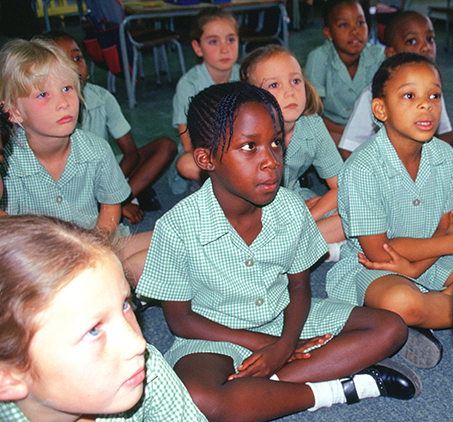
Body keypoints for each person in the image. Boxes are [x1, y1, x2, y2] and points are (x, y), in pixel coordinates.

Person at [136, 82, 420, 422]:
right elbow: (180, 320)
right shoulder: (176, 227)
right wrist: (264, 344)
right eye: (249, 147)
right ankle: (337, 389)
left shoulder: (289, 208)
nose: (270, 161)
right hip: (214, 334)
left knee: (390, 328)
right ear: (206, 158)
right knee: (197, 396)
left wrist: (284, 346)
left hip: (288, 318)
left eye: (275, 143)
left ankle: (255, 391)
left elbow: (299, 287)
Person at [326, 53, 453, 369]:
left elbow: (450, 226)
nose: (426, 105)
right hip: (375, 268)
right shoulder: (362, 168)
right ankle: (448, 311)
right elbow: (380, 253)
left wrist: (418, 267)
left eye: (434, 95)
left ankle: (427, 316)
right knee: (401, 301)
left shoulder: (443, 155)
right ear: (380, 109)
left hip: (434, 259)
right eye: (409, 95)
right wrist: (445, 245)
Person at [0, 214, 207, 422]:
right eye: (93, 331)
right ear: (7, 377)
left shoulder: (147, 369)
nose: (139, 343)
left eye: (125, 304)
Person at [0, 38, 151, 286]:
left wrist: (96, 247)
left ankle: (103, 282)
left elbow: (110, 206)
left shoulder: (96, 149)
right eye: (43, 94)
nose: (62, 103)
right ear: (14, 112)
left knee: (170, 240)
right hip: (36, 260)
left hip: (97, 242)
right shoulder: (7, 162)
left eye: (67, 88)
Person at [46, 30, 178, 224]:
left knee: (166, 146)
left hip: (105, 171)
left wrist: (114, 194)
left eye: (77, 58)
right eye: (61, 60)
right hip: (68, 184)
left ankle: (118, 199)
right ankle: (115, 201)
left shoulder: (102, 97)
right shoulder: (44, 110)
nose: (73, 67)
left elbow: (131, 153)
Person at [339, 11, 453, 175]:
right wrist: (373, 177)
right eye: (412, 41)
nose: (425, 47)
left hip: (421, 153)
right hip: (389, 165)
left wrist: (450, 166)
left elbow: (443, 135)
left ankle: (443, 177)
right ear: (391, 54)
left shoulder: (433, 89)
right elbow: (347, 149)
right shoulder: (374, 94)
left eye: (430, 39)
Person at [240, 45, 346, 257]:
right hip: (248, 210)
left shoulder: (312, 126)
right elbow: (242, 202)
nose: (290, 91)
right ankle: (305, 250)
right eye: (274, 85)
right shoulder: (244, 133)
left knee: (357, 213)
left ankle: (282, 251)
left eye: (295, 81)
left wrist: (308, 214)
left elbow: (341, 187)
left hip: (294, 203)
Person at [173, 7, 240, 186]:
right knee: (186, 164)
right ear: (198, 47)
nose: (224, 49)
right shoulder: (189, 84)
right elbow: (188, 144)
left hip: (239, 149)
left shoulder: (245, 76)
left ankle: (233, 183)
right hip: (205, 153)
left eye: (231, 40)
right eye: (213, 42)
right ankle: (230, 186)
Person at [304, 0, 385, 145]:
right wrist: (349, 134)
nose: (355, 31)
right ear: (328, 33)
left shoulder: (379, 56)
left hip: (372, 129)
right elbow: (312, 113)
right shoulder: (319, 58)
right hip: (331, 128)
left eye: (360, 23)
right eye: (344, 25)